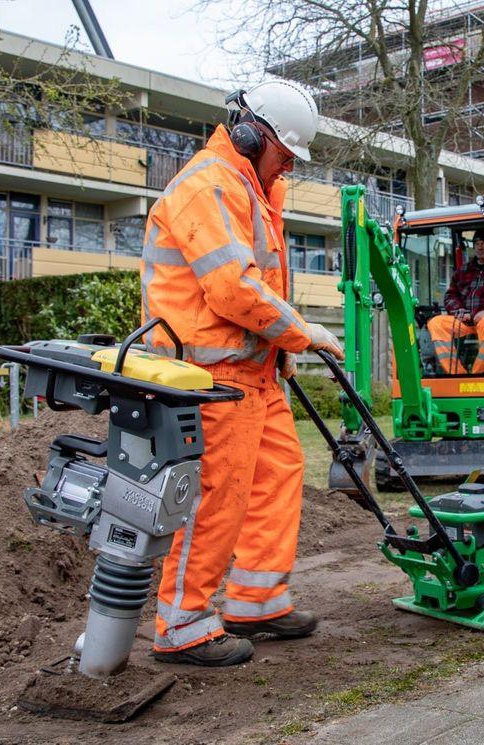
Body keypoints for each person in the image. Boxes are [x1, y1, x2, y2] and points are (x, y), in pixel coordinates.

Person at [140, 81, 344, 666]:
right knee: (216, 496)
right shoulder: (207, 186)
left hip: (254, 374)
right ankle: (181, 625)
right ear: (253, 135)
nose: (285, 169)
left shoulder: (251, 187)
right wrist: (303, 332)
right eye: (284, 155)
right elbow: (232, 288)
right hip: (212, 378)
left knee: (279, 473)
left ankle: (256, 600)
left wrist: (283, 347)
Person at [426, 229, 484, 375]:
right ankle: (457, 374)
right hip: (465, 321)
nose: (480, 248)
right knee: (436, 323)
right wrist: (460, 312)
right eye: (477, 244)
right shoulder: (463, 270)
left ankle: (479, 373)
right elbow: (450, 296)